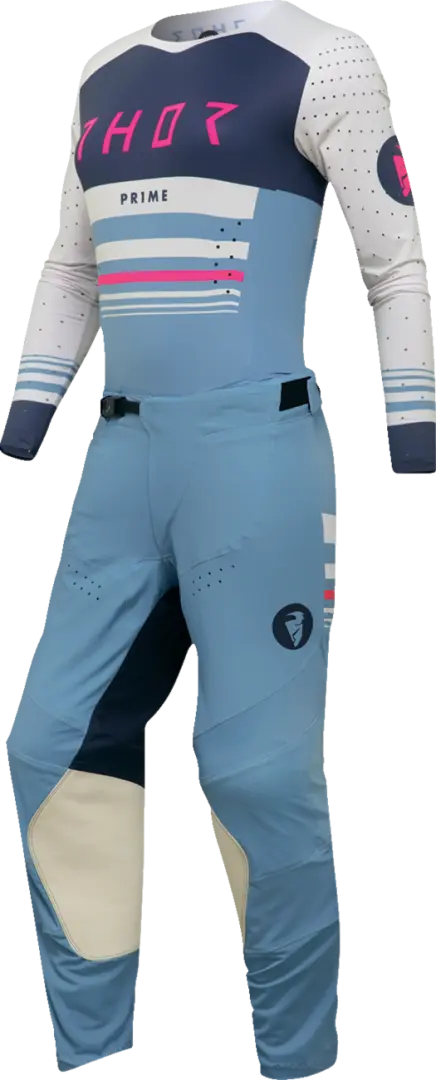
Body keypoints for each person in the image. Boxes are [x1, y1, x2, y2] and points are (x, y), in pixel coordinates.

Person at [3, 2, 433, 1077]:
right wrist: (30, 405)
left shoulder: (322, 57)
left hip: (255, 455)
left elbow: (393, 260)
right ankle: (91, 1057)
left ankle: (296, 1063)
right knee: (50, 747)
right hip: (120, 455)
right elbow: (72, 264)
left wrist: (413, 422)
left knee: (258, 775)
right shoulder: (102, 69)